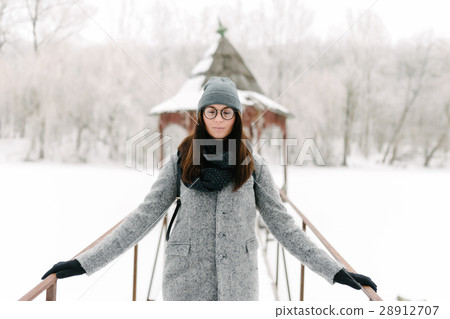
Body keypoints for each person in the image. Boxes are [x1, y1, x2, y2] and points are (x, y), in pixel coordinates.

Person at [42, 76, 377, 300]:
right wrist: (84, 264)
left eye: (226, 112)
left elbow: (286, 228)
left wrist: (337, 272)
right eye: (212, 111)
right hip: (185, 283)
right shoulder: (180, 159)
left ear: (236, 117)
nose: (219, 119)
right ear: (201, 116)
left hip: (239, 287)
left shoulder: (253, 164)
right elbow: (142, 217)